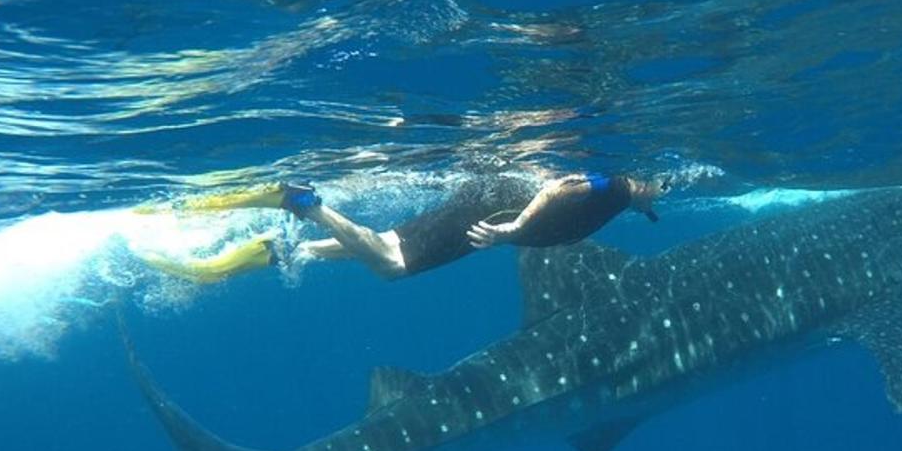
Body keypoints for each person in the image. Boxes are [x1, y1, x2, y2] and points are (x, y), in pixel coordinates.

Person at [141, 171, 666, 283]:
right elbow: (559, 189)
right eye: (659, 183)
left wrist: (644, 207)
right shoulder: (620, 186)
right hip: (498, 210)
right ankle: (299, 203)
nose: (663, 188)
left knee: (389, 243)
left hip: (491, 204)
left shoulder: (632, 199)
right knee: (393, 264)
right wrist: (514, 229)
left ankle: (277, 252)